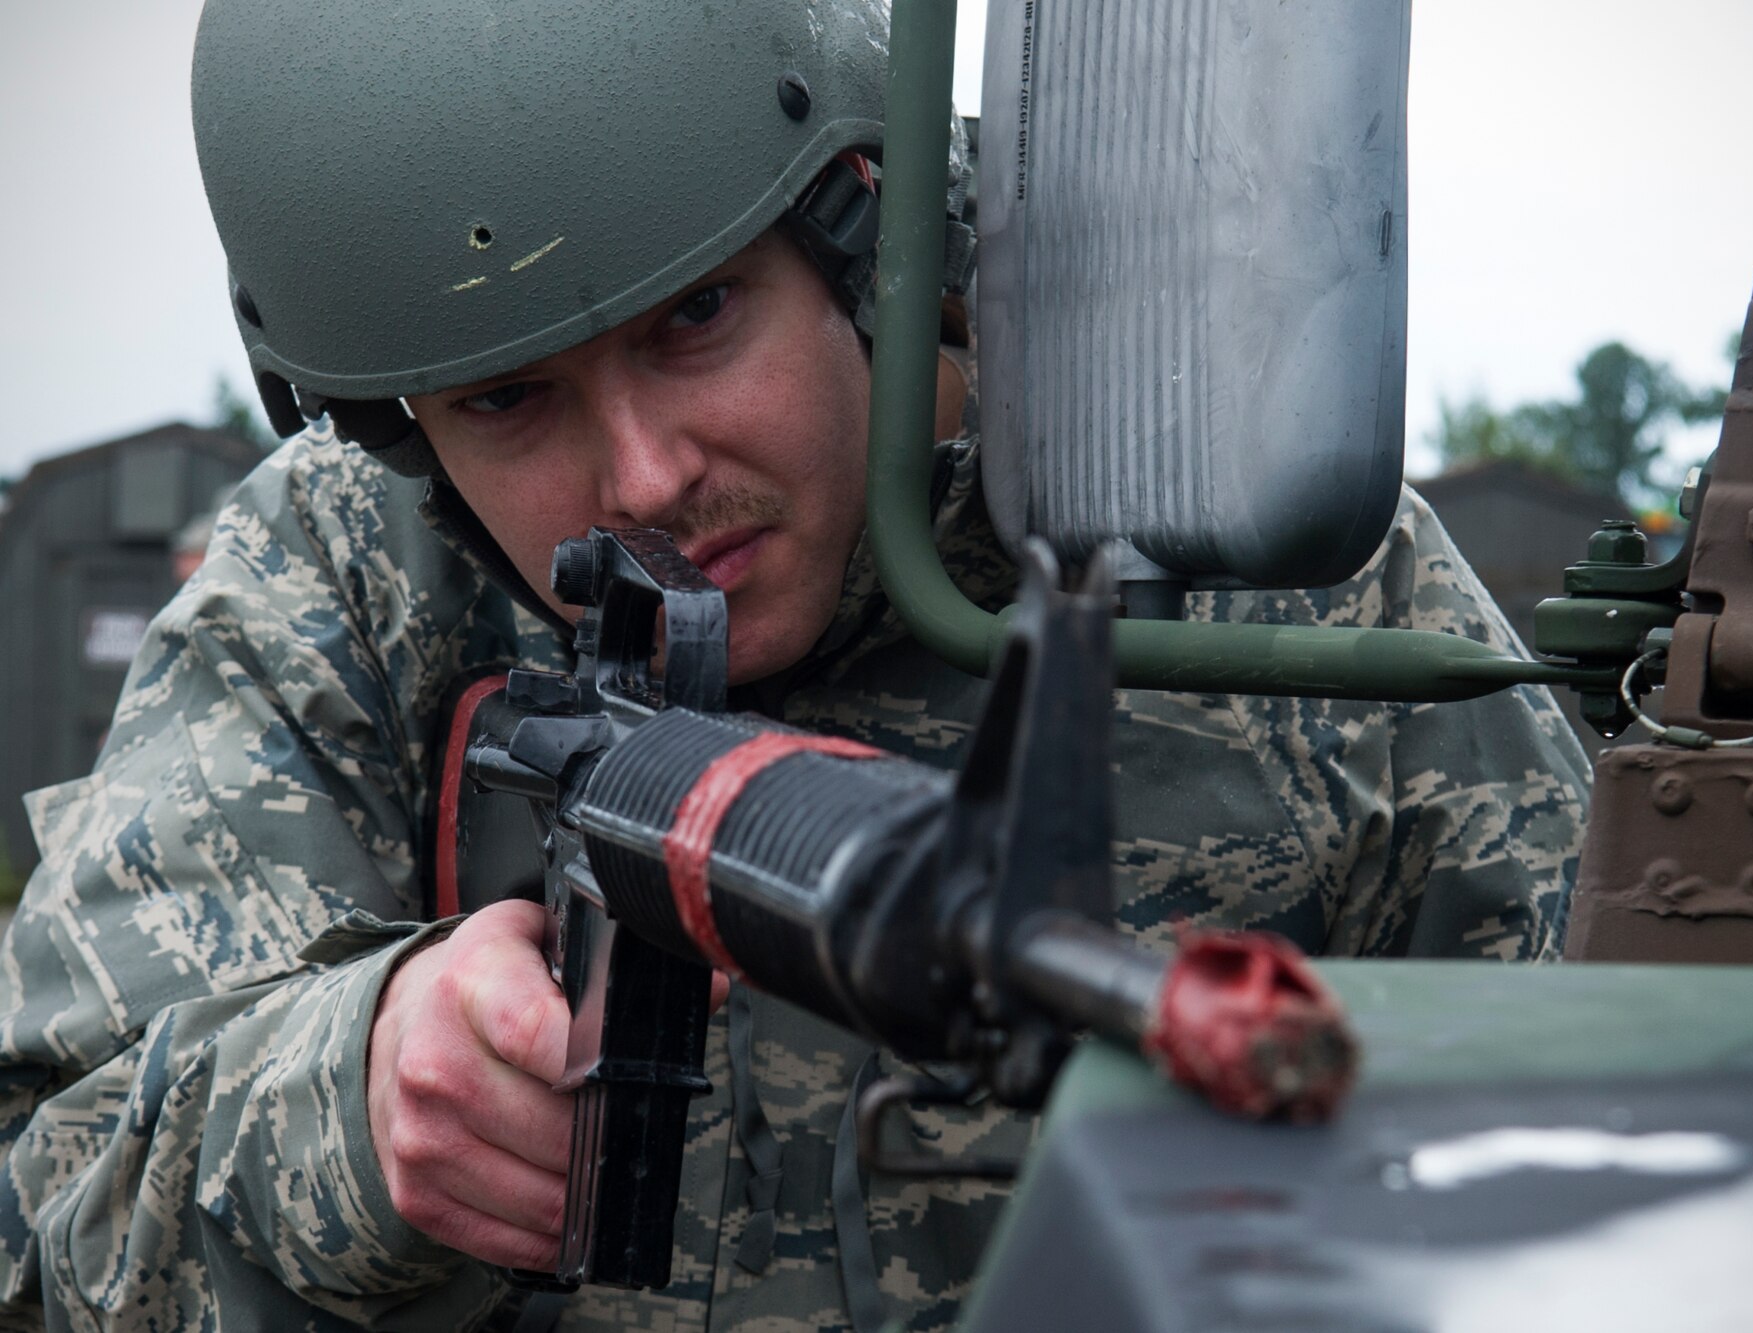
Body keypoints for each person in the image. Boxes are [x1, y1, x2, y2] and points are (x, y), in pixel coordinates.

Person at [0, 1, 1591, 1329]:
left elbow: (1629, 1145)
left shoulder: (1253, 564)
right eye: (504, 400)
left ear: (863, 228)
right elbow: (41, 1201)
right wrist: (345, 1102)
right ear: (388, 422)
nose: (641, 477)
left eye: (695, 315)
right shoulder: (349, 574)